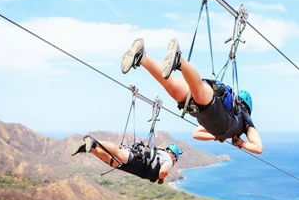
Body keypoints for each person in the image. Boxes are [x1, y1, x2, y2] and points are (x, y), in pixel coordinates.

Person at [120, 38, 263, 154]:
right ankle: (179, 60)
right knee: (196, 90)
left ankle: (142, 57)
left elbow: (197, 133)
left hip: (203, 107)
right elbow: (258, 148)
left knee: (172, 86)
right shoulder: (245, 118)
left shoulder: (233, 118)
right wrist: (241, 143)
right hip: (212, 109)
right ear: (248, 107)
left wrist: (218, 136)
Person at [72, 135, 182, 183]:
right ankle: (95, 142)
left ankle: (93, 149)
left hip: (138, 167)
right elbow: (164, 171)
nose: (175, 162)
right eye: (176, 160)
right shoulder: (168, 159)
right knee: (118, 155)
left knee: (114, 162)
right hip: (139, 162)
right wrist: (161, 178)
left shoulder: (162, 154)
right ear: (174, 156)